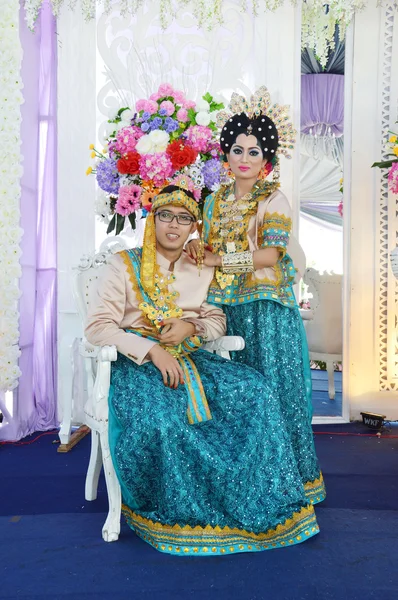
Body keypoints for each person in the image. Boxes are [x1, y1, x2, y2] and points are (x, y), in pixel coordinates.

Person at [85, 184, 320, 555]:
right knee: (164, 420)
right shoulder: (123, 265)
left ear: (193, 226)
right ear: (153, 220)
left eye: (183, 218)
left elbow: (216, 318)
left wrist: (192, 327)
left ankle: (250, 501)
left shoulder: (198, 266)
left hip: (193, 358)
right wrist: (152, 351)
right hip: (136, 365)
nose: (174, 226)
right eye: (166, 216)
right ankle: (185, 517)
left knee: (255, 391)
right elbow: (98, 326)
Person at [186, 87, 326, 504]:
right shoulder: (212, 202)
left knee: (276, 394)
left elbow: (271, 254)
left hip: (266, 310)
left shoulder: (274, 198)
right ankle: (244, 482)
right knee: (234, 398)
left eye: (254, 151)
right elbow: (204, 245)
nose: (244, 159)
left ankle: (291, 483)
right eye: (237, 150)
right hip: (223, 309)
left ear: (267, 159)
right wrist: (197, 248)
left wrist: (218, 261)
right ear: (225, 155)